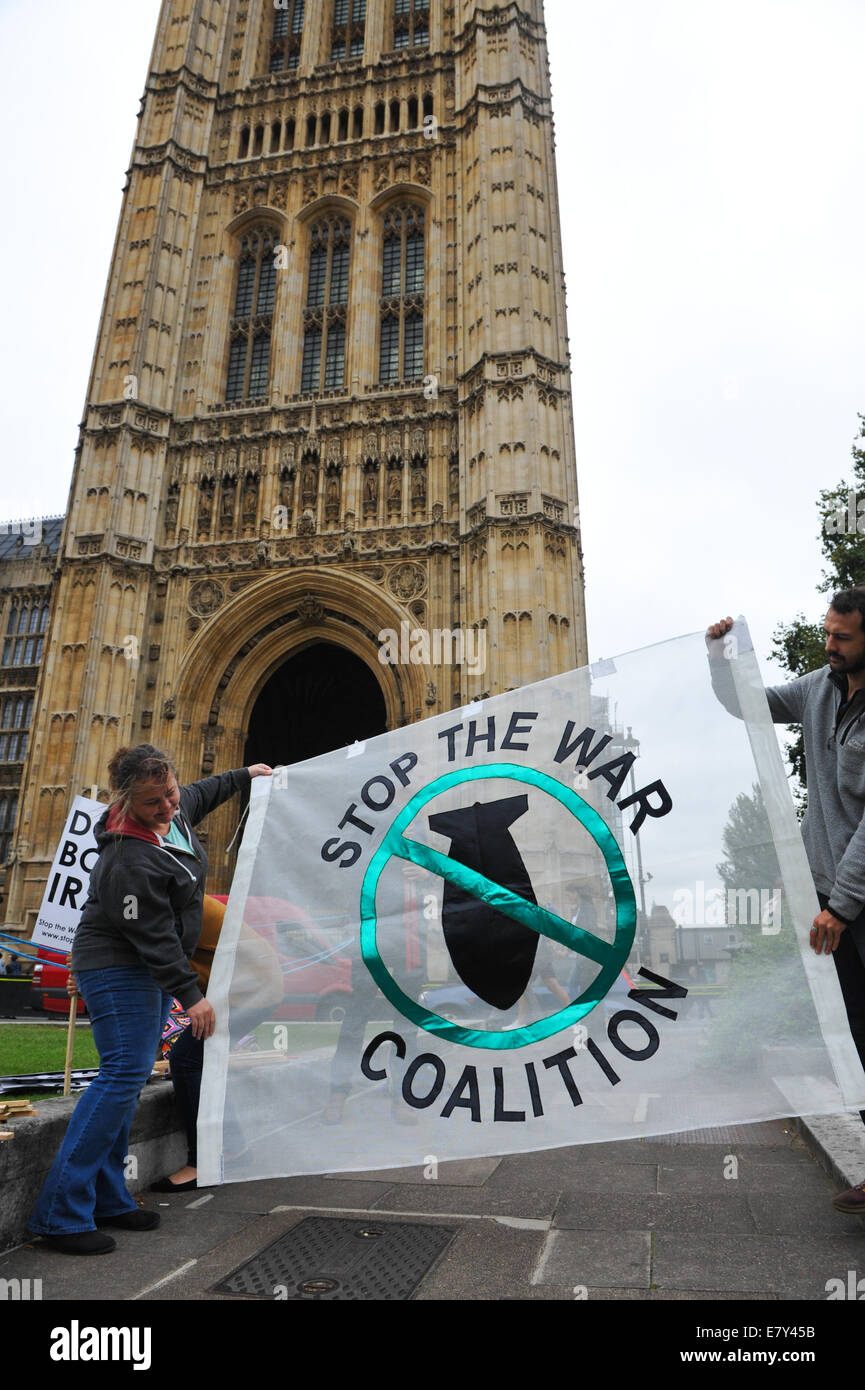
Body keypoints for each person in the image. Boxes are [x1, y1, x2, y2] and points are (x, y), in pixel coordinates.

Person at [28, 744, 272, 1254]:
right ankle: (60, 1212)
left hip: (146, 969)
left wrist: (245, 774)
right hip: (118, 965)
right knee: (122, 1074)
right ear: (125, 802)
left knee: (130, 1075)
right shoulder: (126, 856)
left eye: (169, 794)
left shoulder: (174, 813)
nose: (166, 808)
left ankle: (109, 1197)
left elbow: (203, 793)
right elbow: (153, 935)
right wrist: (192, 996)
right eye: (151, 803)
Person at [707, 593, 865, 1212]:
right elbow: (752, 706)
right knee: (856, 1033)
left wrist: (842, 905)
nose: (830, 645)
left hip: (851, 900)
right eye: (828, 633)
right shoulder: (821, 689)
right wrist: (723, 661)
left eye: (844, 638)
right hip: (835, 897)